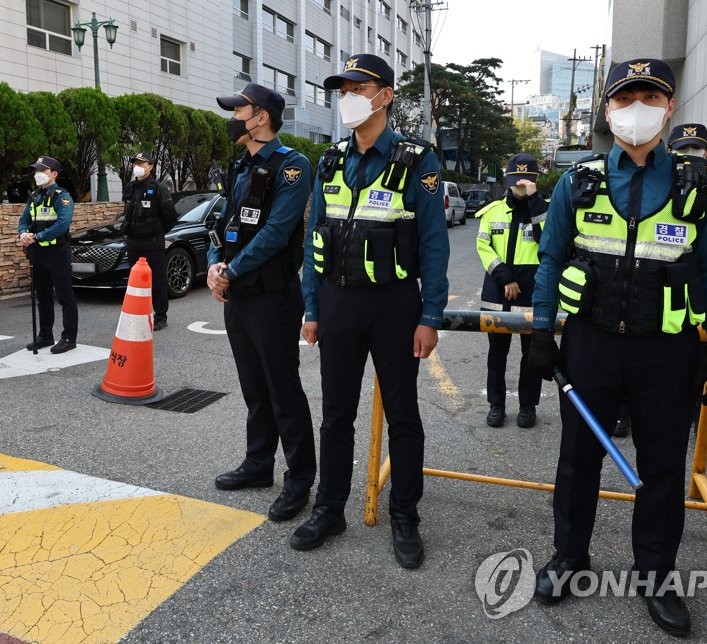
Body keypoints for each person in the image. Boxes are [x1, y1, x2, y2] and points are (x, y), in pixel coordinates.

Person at [527, 59, 707, 636]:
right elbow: (549, 260)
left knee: (662, 468)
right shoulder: (578, 181)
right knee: (577, 462)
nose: (636, 108)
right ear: (608, 110)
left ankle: (656, 576)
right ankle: (569, 558)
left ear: (669, 108)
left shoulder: (699, 187)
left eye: (650, 97)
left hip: (666, 352)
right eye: (625, 98)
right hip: (591, 345)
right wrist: (542, 333)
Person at [292, 54, 450, 569]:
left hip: (394, 305)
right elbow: (316, 240)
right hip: (337, 302)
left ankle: (405, 515)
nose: (348, 98)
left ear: (384, 96)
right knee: (336, 412)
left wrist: (430, 315)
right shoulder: (331, 160)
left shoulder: (415, 159)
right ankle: (329, 508)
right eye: (342, 90)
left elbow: (432, 242)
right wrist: (312, 307)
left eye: (358, 88)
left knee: (403, 415)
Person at [207, 83, 316, 523]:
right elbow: (222, 221)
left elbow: (276, 232)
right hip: (239, 296)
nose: (232, 116)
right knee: (254, 389)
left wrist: (230, 271)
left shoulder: (293, 167)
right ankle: (258, 465)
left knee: (282, 389)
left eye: (239, 109)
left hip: (273, 297)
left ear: (261, 117)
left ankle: (299, 480)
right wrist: (215, 265)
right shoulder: (239, 166)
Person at [475, 153, 546, 429]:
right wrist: (505, 278)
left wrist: (534, 200)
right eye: (517, 180)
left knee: (532, 355)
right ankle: (496, 405)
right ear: (509, 180)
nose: (521, 184)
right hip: (498, 292)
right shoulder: (492, 212)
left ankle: (528, 406)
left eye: (527, 181)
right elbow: (483, 247)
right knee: (497, 354)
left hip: (532, 293)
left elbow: (549, 242)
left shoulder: (544, 211)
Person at [18, 156, 78, 354]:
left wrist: (37, 236)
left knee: (64, 296)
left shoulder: (63, 196)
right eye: (36, 171)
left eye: (42, 171)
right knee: (42, 296)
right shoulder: (35, 196)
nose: (37, 174)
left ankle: (69, 337)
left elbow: (62, 223)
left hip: (57, 252)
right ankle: (45, 335)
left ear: (53, 174)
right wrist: (23, 233)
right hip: (38, 252)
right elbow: (24, 219)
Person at [122, 152, 179, 330]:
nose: (137, 166)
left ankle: (160, 315)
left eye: (141, 163)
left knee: (157, 281)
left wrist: (158, 233)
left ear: (151, 167)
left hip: (153, 243)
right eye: (135, 163)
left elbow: (170, 217)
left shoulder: (159, 188)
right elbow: (127, 214)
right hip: (133, 243)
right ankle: (138, 313)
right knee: (134, 281)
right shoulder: (130, 188)